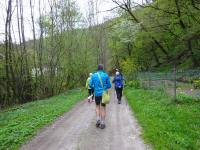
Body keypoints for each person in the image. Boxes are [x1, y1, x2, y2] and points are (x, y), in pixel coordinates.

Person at [90, 64, 111, 129]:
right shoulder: (106, 75)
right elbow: (109, 86)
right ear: (102, 68)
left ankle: (98, 119)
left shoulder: (94, 75)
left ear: (97, 69)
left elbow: (90, 85)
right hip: (104, 94)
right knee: (103, 108)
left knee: (97, 107)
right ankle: (102, 123)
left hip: (97, 94)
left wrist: (95, 87)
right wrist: (105, 88)